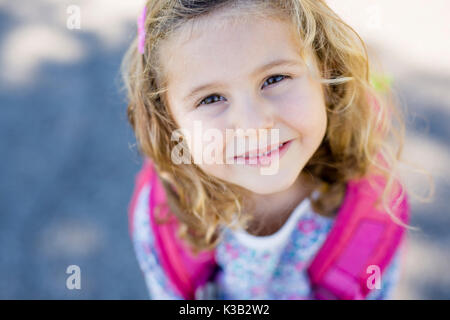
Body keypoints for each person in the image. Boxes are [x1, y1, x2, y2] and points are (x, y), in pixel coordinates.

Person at [121, 0, 409, 300]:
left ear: (326, 72)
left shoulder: (373, 213)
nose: (254, 125)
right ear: (169, 121)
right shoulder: (164, 220)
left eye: (275, 79)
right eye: (211, 99)